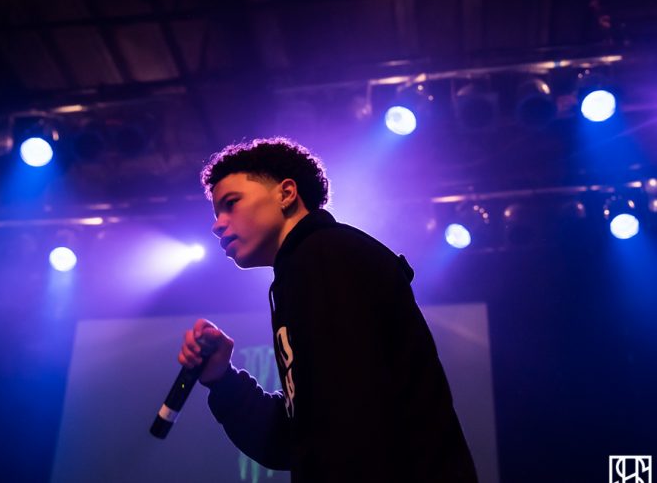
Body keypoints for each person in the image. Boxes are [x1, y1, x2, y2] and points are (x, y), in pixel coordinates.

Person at [178, 137, 479, 482]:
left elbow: (354, 426)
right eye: (217, 213)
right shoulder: (299, 271)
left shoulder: (326, 255)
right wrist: (222, 378)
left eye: (231, 203)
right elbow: (298, 438)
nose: (218, 224)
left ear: (286, 193)